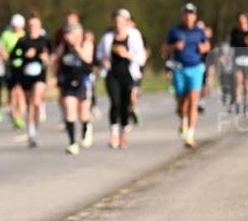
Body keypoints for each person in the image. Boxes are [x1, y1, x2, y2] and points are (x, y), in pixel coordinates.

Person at [161, 4, 210, 147]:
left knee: (193, 103)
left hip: (195, 69)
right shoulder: (174, 31)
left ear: (195, 16)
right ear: (182, 16)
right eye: (186, 14)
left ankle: (190, 135)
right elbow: (164, 50)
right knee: (182, 104)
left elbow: (207, 46)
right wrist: (174, 46)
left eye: (191, 14)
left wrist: (204, 48)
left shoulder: (199, 31)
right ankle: (183, 121)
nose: (189, 16)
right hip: (179, 69)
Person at [96, 9, 146, 149]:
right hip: (112, 74)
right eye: (116, 21)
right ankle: (113, 134)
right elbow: (99, 52)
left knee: (125, 105)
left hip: (128, 74)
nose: (118, 24)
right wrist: (103, 60)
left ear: (127, 22)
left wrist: (127, 55)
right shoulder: (107, 37)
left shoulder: (134, 36)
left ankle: (122, 133)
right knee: (115, 102)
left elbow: (141, 58)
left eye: (121, 21)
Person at [10, 13, 52, 148]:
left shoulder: (45, 40)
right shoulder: (23, 41)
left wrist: (46, 57)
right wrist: (24, 55)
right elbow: (12, 56)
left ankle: (37, 131)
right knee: (29, 106)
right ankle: (31, 134)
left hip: (40, 74)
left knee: (36, 101)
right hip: (25, 75)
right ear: (27, 26)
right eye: (31, 25)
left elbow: (53, 55)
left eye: (36, 26)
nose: (33, 28)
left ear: (40, 26)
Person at [55, 22, 94, 154]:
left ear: (78, 34)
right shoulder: (63, 47)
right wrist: (54, 76)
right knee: (70, 111)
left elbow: (88, 60)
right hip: (67, 82)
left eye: (69, 33)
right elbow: (55, 61)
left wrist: (77, 47)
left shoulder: (86, 44)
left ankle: (86, 129)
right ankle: (72, 142)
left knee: (83, 114)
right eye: (65, 34)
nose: (66, 37)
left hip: (83, 81)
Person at [0, 13, 27, 129]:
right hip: (10, 65)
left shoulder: (25, 35)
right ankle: (15, 116)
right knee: (12, 92)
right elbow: (1, 47)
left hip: (22, 66)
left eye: (18, 26)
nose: (16, 28)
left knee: (20, 91)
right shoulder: (6, 34)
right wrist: (6, 56)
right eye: (14, 26)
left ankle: (20, 116)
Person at [229, 12, 248, 115]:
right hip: (237, 59)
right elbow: (231, 45)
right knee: (238, 82)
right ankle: (237, 104)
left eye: (243, 19)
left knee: (247, 83)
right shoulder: (235, 32)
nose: (241, 21)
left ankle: (247, 105)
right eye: (239, 20)